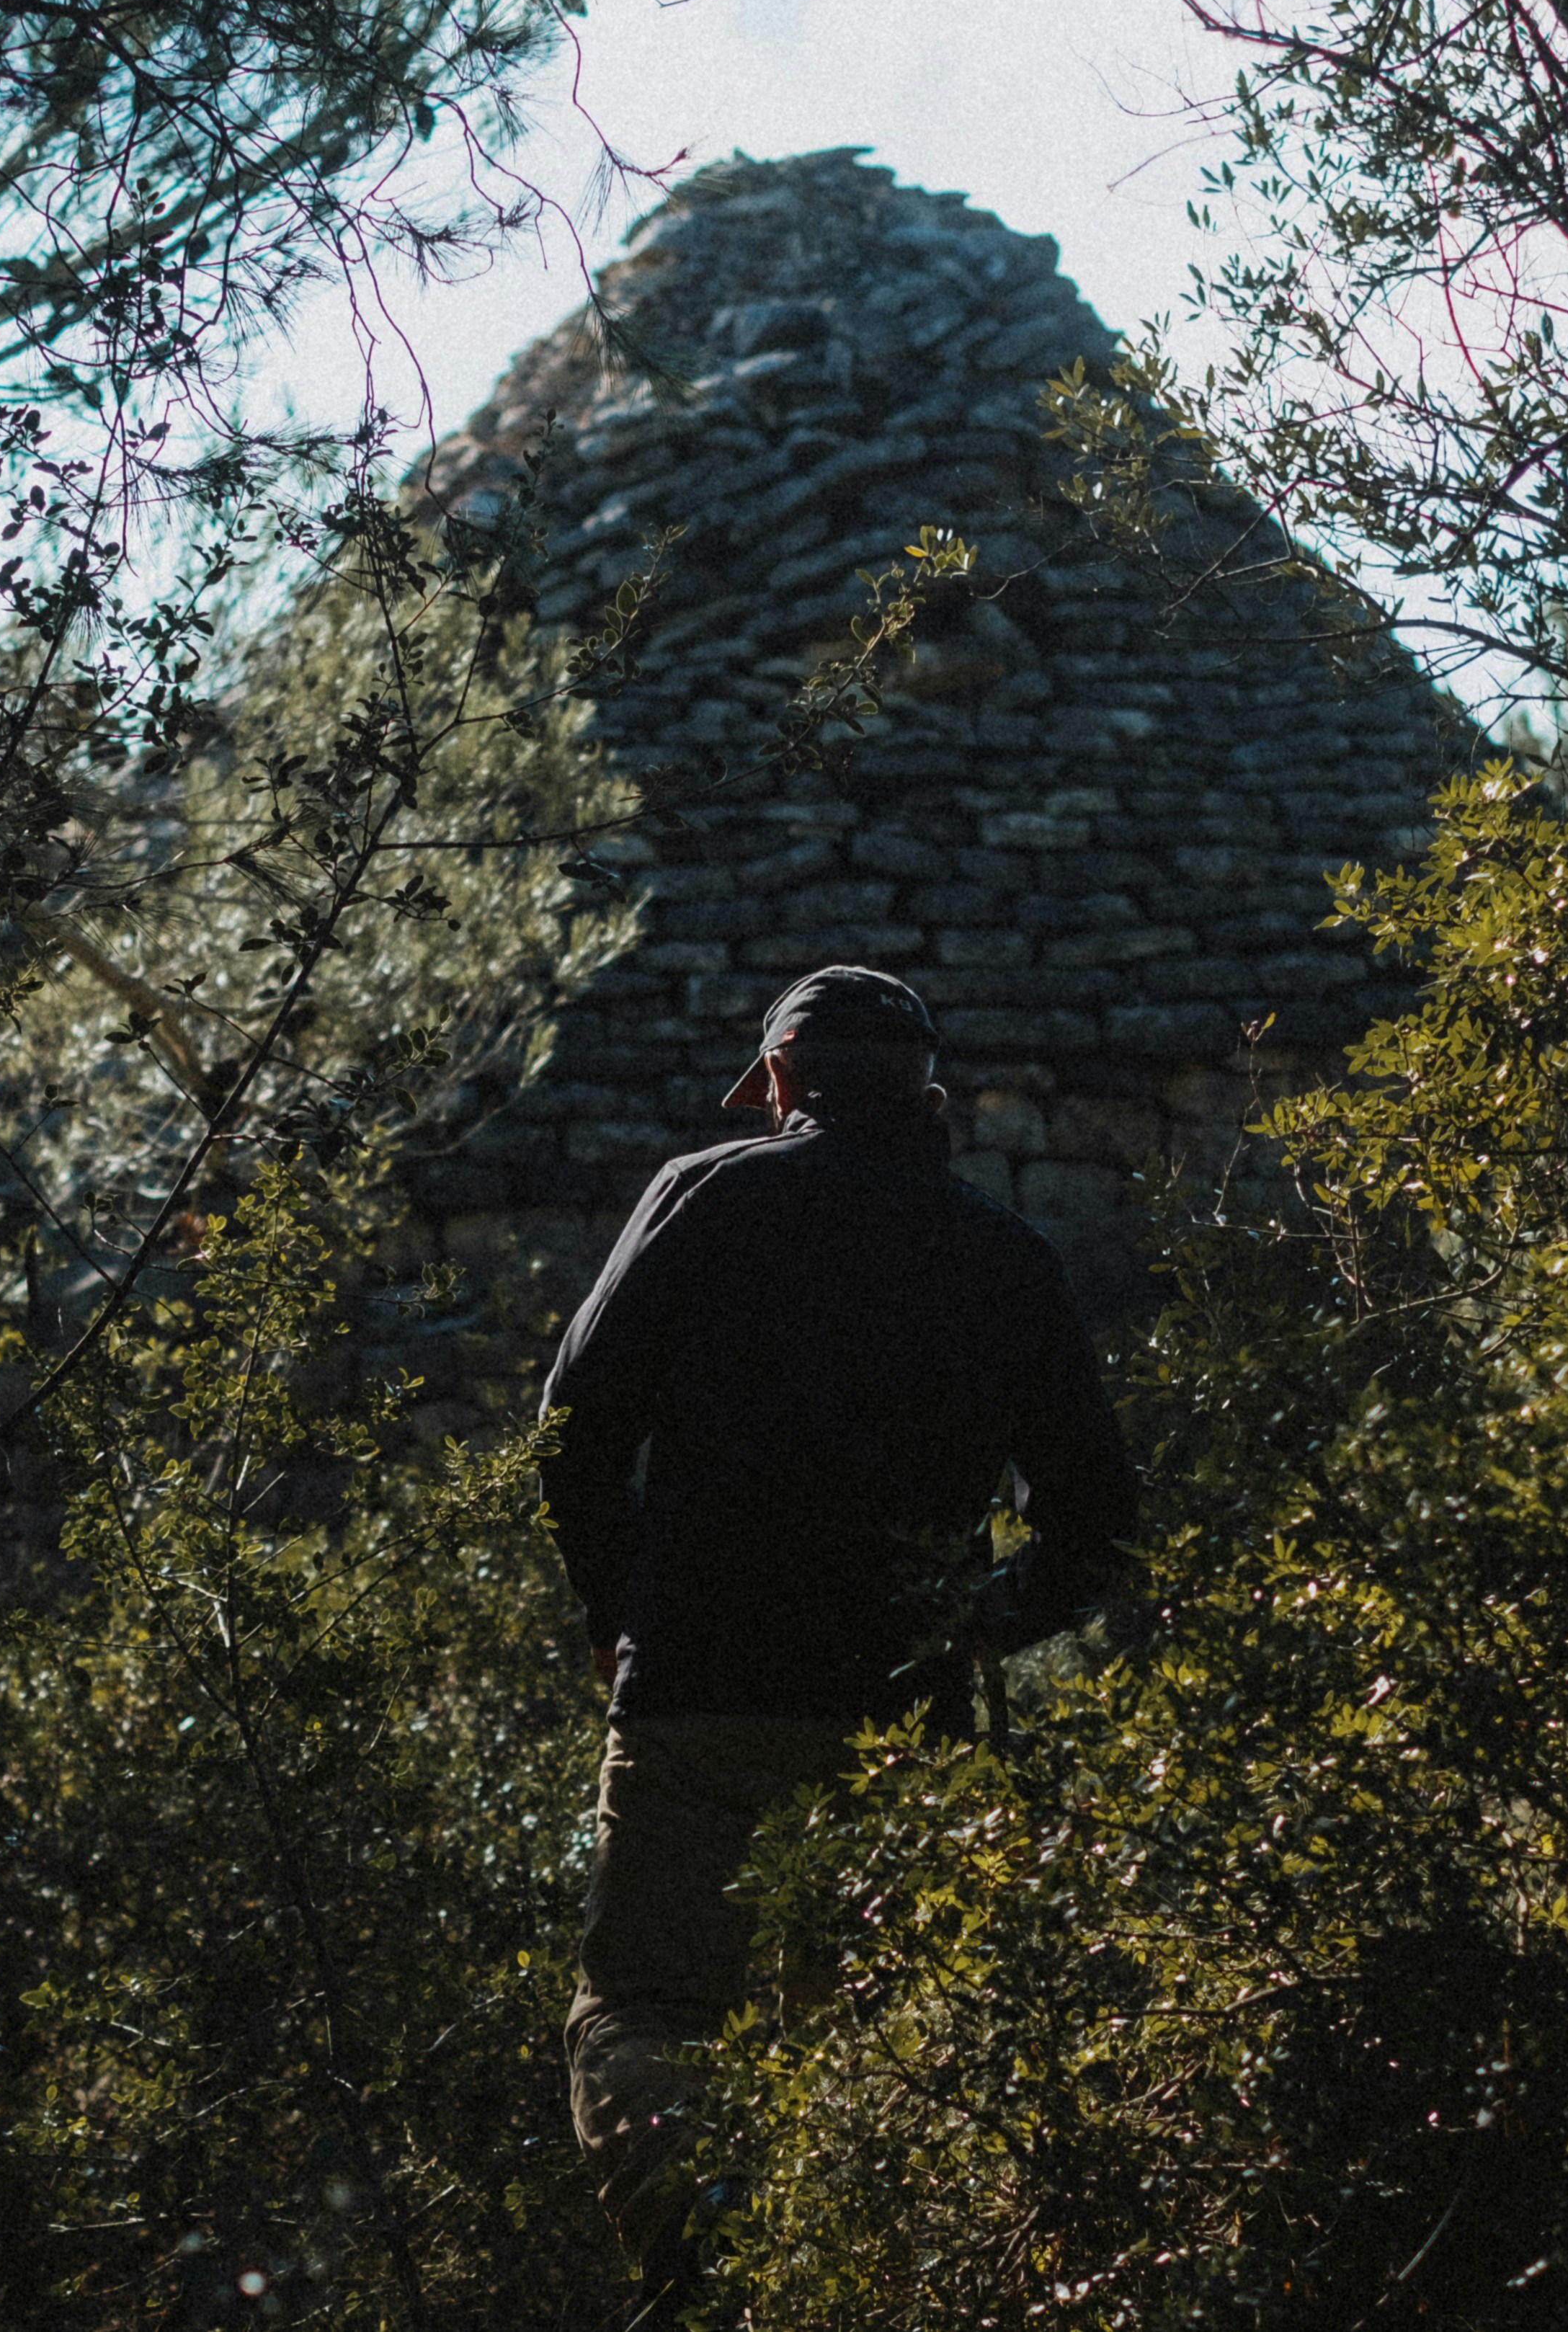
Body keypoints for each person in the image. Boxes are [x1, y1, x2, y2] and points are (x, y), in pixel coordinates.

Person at [540, 964, 1138, 2317]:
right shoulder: (1006, 1258)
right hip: (896, 1716)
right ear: (926, 1097)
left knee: (649, 2011)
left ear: (780, 1087)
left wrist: (614, 1609)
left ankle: (702, 2270)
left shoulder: (705, 1192)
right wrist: (976, 1628)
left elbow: (571, 1429)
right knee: (869, 2048)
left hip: (693, 1685)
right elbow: (1098, 1520)